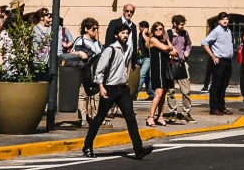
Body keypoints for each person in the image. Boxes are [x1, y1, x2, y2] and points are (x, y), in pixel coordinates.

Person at [83, 20, 151, 161]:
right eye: (122, 33)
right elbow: (99, 70)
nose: (125, 35)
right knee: (100, 117)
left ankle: (138, 149)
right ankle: (87, 145)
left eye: (127, 33)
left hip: (123, 89)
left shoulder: (128, 50)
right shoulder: (110, 50)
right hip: (110, 88)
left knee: (130, 118)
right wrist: (101, 87)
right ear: (116, 35)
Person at [72, 20, 104, 133]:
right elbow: (72, 53)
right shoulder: (80, 40)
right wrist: (80, 53)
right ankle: (84, 118)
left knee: (96, 95)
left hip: (96, 72)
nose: (95, 31)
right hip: (85, 71)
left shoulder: (97, 43)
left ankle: (95, 117)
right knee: (83, 94)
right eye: (93, 29)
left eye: (96, 29)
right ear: (86, 29)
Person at [145, 24, 172, 129]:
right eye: (156, 29)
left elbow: (174, 51)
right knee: (158, 92)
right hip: (157, 69)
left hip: (165, 69)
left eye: (160, 29)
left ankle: (160, 116)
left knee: (164, 93)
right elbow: (165, 48)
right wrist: (167, 48)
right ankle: (150, 117)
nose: (158, 31)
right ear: (153, 31)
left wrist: (168, 46)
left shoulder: (164, 39)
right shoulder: (152, 40)